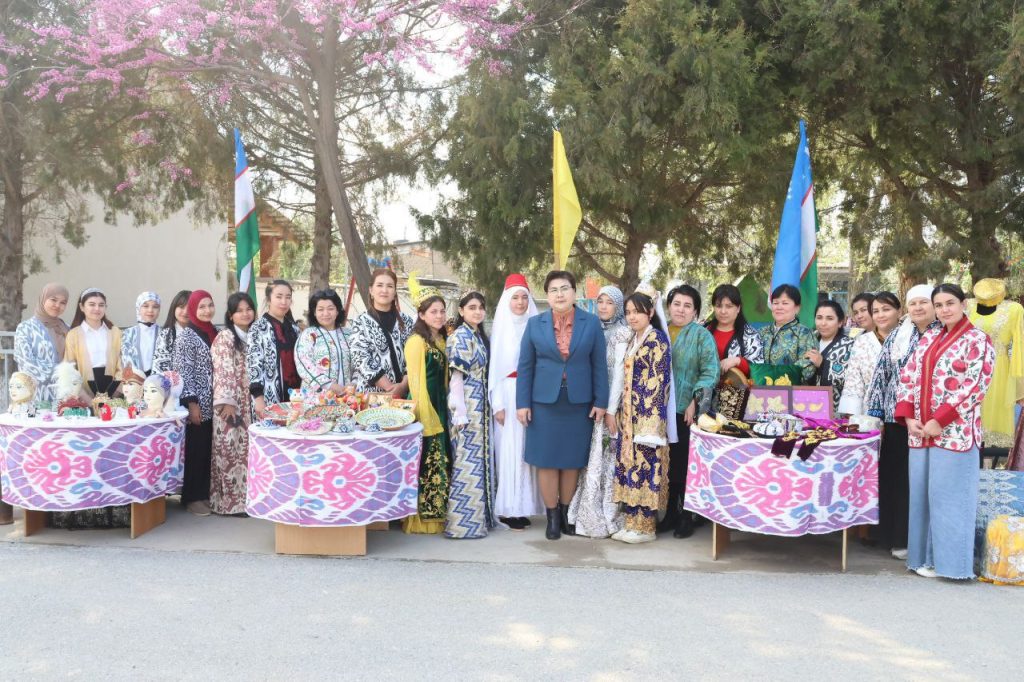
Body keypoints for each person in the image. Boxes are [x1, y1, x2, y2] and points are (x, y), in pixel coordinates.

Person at [896, 284, 995, 579]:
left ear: (964, 304)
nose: (944, 310)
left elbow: (976, 386)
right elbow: (908, 375)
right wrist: (908, 416)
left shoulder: (978, 339)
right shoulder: (929, 337)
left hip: (955, 432)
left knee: (950, 499)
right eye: (938, 305)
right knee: (921, 497)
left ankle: (952, 567)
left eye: (950, 303)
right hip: (920, 431)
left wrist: (941, 420)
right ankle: (922, 560)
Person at [517, 270, 609, 541]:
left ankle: (567, 513)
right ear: (547, 295)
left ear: (574, 292)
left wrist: (601, 401)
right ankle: (552, 517)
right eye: (554, 290)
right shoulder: (535, 324)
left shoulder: (591, 323)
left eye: (565, 288)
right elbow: (525, 367)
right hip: (543, 403)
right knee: (546, 460)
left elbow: (599, 366)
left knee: (572, 461)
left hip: (579, 402)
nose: (559, 294)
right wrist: (522, 403)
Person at [866, 284, 939, 559]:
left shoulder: (942, 333)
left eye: (924, 302)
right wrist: (876, 417)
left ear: (934, 306)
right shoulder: (899, 334)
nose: (918, 308)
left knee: (919, 481)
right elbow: (880, 376)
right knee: (895, 479)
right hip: (895, 419)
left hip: (931, 422)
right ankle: (893, 538)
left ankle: (916, 541)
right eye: (913, 303)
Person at [568, 285, 631, 538]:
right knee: (591, 458)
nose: (603, 307)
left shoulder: (623, 332)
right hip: (592, 402)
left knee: (607, 457)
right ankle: (583, 509)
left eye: (609, 303)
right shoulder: (591, 329)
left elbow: (619, 375)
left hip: (612, 405)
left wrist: (611, 408)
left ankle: (607, 510)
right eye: (600, 301)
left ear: (618, 307)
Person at [611, 292, 672, 544]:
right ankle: (631, 523)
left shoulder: (656, 339)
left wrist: (650, 423)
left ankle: (646, 527)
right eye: (628, 312)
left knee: (646, 468)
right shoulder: (633, 339)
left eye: (637, 311)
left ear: (650, 312)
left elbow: (658, 382)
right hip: (629, 418)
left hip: (648, 419)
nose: (632, 317)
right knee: (630, 468)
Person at [662, 284, 719, 538]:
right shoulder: (659, 331)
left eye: (687, 306)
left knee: (685, 463)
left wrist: (695, 400)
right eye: (677, 304)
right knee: (667, 462)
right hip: (659, 410)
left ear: (695, 311)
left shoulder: (701, 336)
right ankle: (669, 513)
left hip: (685, 410)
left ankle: (686, 515)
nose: (681, 310)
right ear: (669, 306)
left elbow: (710, 371)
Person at [489, 274, 543, 531]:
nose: (520, 303)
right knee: (508, 451)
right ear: (507, 301)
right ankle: (508, 508)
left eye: (524, 297)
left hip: (531, 393)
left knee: (526, 452)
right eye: (515, 298)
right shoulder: (501, 328)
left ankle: (524, 506)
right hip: (508, 395)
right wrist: (497, 404)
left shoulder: (535, 327)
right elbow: (495, 370)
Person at [445, 291, 497, 539]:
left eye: (481, 307)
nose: (477, 312)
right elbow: (456, 377)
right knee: (466, 461)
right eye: (472, 307)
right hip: (467, 404)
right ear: (461, 310)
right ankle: (461, 525)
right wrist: (460, 412)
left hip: (480, 405)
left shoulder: (477, 335)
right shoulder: (460, 336)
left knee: (478, 461)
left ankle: (478, 521)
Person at [403, 294, 450, 534]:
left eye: (442, 311)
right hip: (425, 406)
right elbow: (415, 381)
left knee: (440, 461)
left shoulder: (440, 340)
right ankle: (423, 519)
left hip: (441, 406)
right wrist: (425, 416)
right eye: (433, 312)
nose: (439, 316)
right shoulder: (416, 341)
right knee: (427, 463)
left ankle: (439, 515)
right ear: (421, 315)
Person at [210, 292, 257, 515]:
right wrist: (227, 402)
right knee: (230, 453)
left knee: (248, 454)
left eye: (248, 309)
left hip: (250, 403)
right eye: (239, 311)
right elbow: (223, 370)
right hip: (231, 404)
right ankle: (228, 505)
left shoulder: (253, 335)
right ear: (231, 315)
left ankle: (247, 501)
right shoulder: (225, 337)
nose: (245, 314)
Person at [174, 290, 217, 516]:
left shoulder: (214, 332)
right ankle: (192, 497)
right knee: (196, 450)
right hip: (198, 403)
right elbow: (184, 372)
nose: (207, 310)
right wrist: (192, 404)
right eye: (201, 307)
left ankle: (205, 493)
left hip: (215, 403)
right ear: (193, 309)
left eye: (210, 305)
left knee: (209, 449)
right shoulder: (187, 336)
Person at [967, 278, 1024, 446]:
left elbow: (1020, 343)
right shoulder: (966, 306)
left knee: (995, 412)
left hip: (999, 369)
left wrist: (1018, 377)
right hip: (968, 366)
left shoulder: (1014, 309)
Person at [351, 268, 414, 395]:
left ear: (395, 292)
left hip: (405, 393)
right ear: (371, 290)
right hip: (372, 396)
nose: (384, 290)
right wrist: (390, 388)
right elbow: (361, 358)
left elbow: (414, 355)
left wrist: (403, 386)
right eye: (379, 285)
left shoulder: (406, 321)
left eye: (390, 286)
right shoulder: (361, 322)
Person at [839, 291, 901, 416]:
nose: (880, 315)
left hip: (904, 412)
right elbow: (854, 380)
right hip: (870, 412)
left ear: (899, 311)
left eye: (886, 309)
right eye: (876, 311)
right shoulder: (862, 341)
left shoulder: (909, 337)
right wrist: (852, 414)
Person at [248, 280, 301, 418]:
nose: (284, 302)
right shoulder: (258, 328)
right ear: (268, 299)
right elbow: (254, 365)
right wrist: (258, 398)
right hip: (269, 396)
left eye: (288, 297)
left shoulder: (294, 329)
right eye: (279, 297)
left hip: (296, 396)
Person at [14, 282, 70, 404]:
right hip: (36, 396)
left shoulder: (67, 329)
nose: (57, 305)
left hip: (65, 397)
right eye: (53, 300)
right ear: (43, 299)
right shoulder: (25, 328)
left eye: (63, 302)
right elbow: (26, 363)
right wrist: (62, 373)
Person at [63, 288, 123, 398]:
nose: (97, 309)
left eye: (101, 305)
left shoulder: (115, 332)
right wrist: (86, 399)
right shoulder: (73, 335)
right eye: (92, 304)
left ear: (105, 307)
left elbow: (123, 365)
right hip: (84, 391)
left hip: (114, 389)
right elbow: (69, 369)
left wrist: (115, 394)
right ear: (82, 307)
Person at [296, 288, 353, 394]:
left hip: (348, 397)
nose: (326, 313)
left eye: (330, 309)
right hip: (316, 398)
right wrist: (329, 385)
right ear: (314, 312)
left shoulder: (349, 334)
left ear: (337, 311)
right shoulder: (309, 335)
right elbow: (304, 365)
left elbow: (358, 363)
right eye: (320, 309)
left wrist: (354, 383)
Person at [804, 300, 855, 413]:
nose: (823, 323)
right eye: (819, 317)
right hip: (805, 404)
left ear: (840, 322)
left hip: (834, 408)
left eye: (829, 318)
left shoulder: (849, 345)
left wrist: (823, 364)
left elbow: (851, 378)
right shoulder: (809, 340)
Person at [758, 284, 816, 383]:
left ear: (797, 308)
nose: (779, 307)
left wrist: (777, 378)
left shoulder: (804, 333)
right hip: (760, 388)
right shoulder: (761, 332)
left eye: (785, 303)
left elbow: (808, 365)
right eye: (775, 303)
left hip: (792, 390)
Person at [705, 283, 764, 377]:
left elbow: (759, 369)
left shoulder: (750, 335)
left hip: (738, 386)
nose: (723, 311)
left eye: (729, 306)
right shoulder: (703, 331)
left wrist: (738, 361)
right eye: (719, 306)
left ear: (738, 308)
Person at [120, 291, 162, 375]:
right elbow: (124, 360)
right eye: (145, 306)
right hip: (133, 379)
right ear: (138, 308)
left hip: (158, 380)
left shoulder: (164, 333)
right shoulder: (128, 333)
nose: (150, 310)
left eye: (155, 307)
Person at [153, 290, 191, 373]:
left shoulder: (201, 333)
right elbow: (160, 367)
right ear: (174, 308)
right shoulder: (166, 334)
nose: (185, 312)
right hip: (171, 380)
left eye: (189, 308)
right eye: (181, 307)